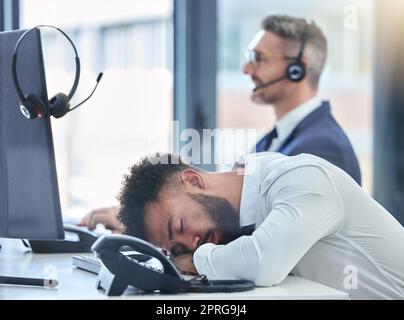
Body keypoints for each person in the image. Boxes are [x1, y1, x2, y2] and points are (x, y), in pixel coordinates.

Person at [86, 152, 404, 299]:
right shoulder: (236, 205)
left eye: (180, 225)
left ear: (194, 180)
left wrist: (191, 260)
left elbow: (264, 262)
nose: (194, 242)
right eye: (180, 246)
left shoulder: (302, 177)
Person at [244, 14, 361, 185]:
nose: (246, 69)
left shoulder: (321, 148)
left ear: (297, 70)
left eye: (258, 58)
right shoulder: (274, 138)